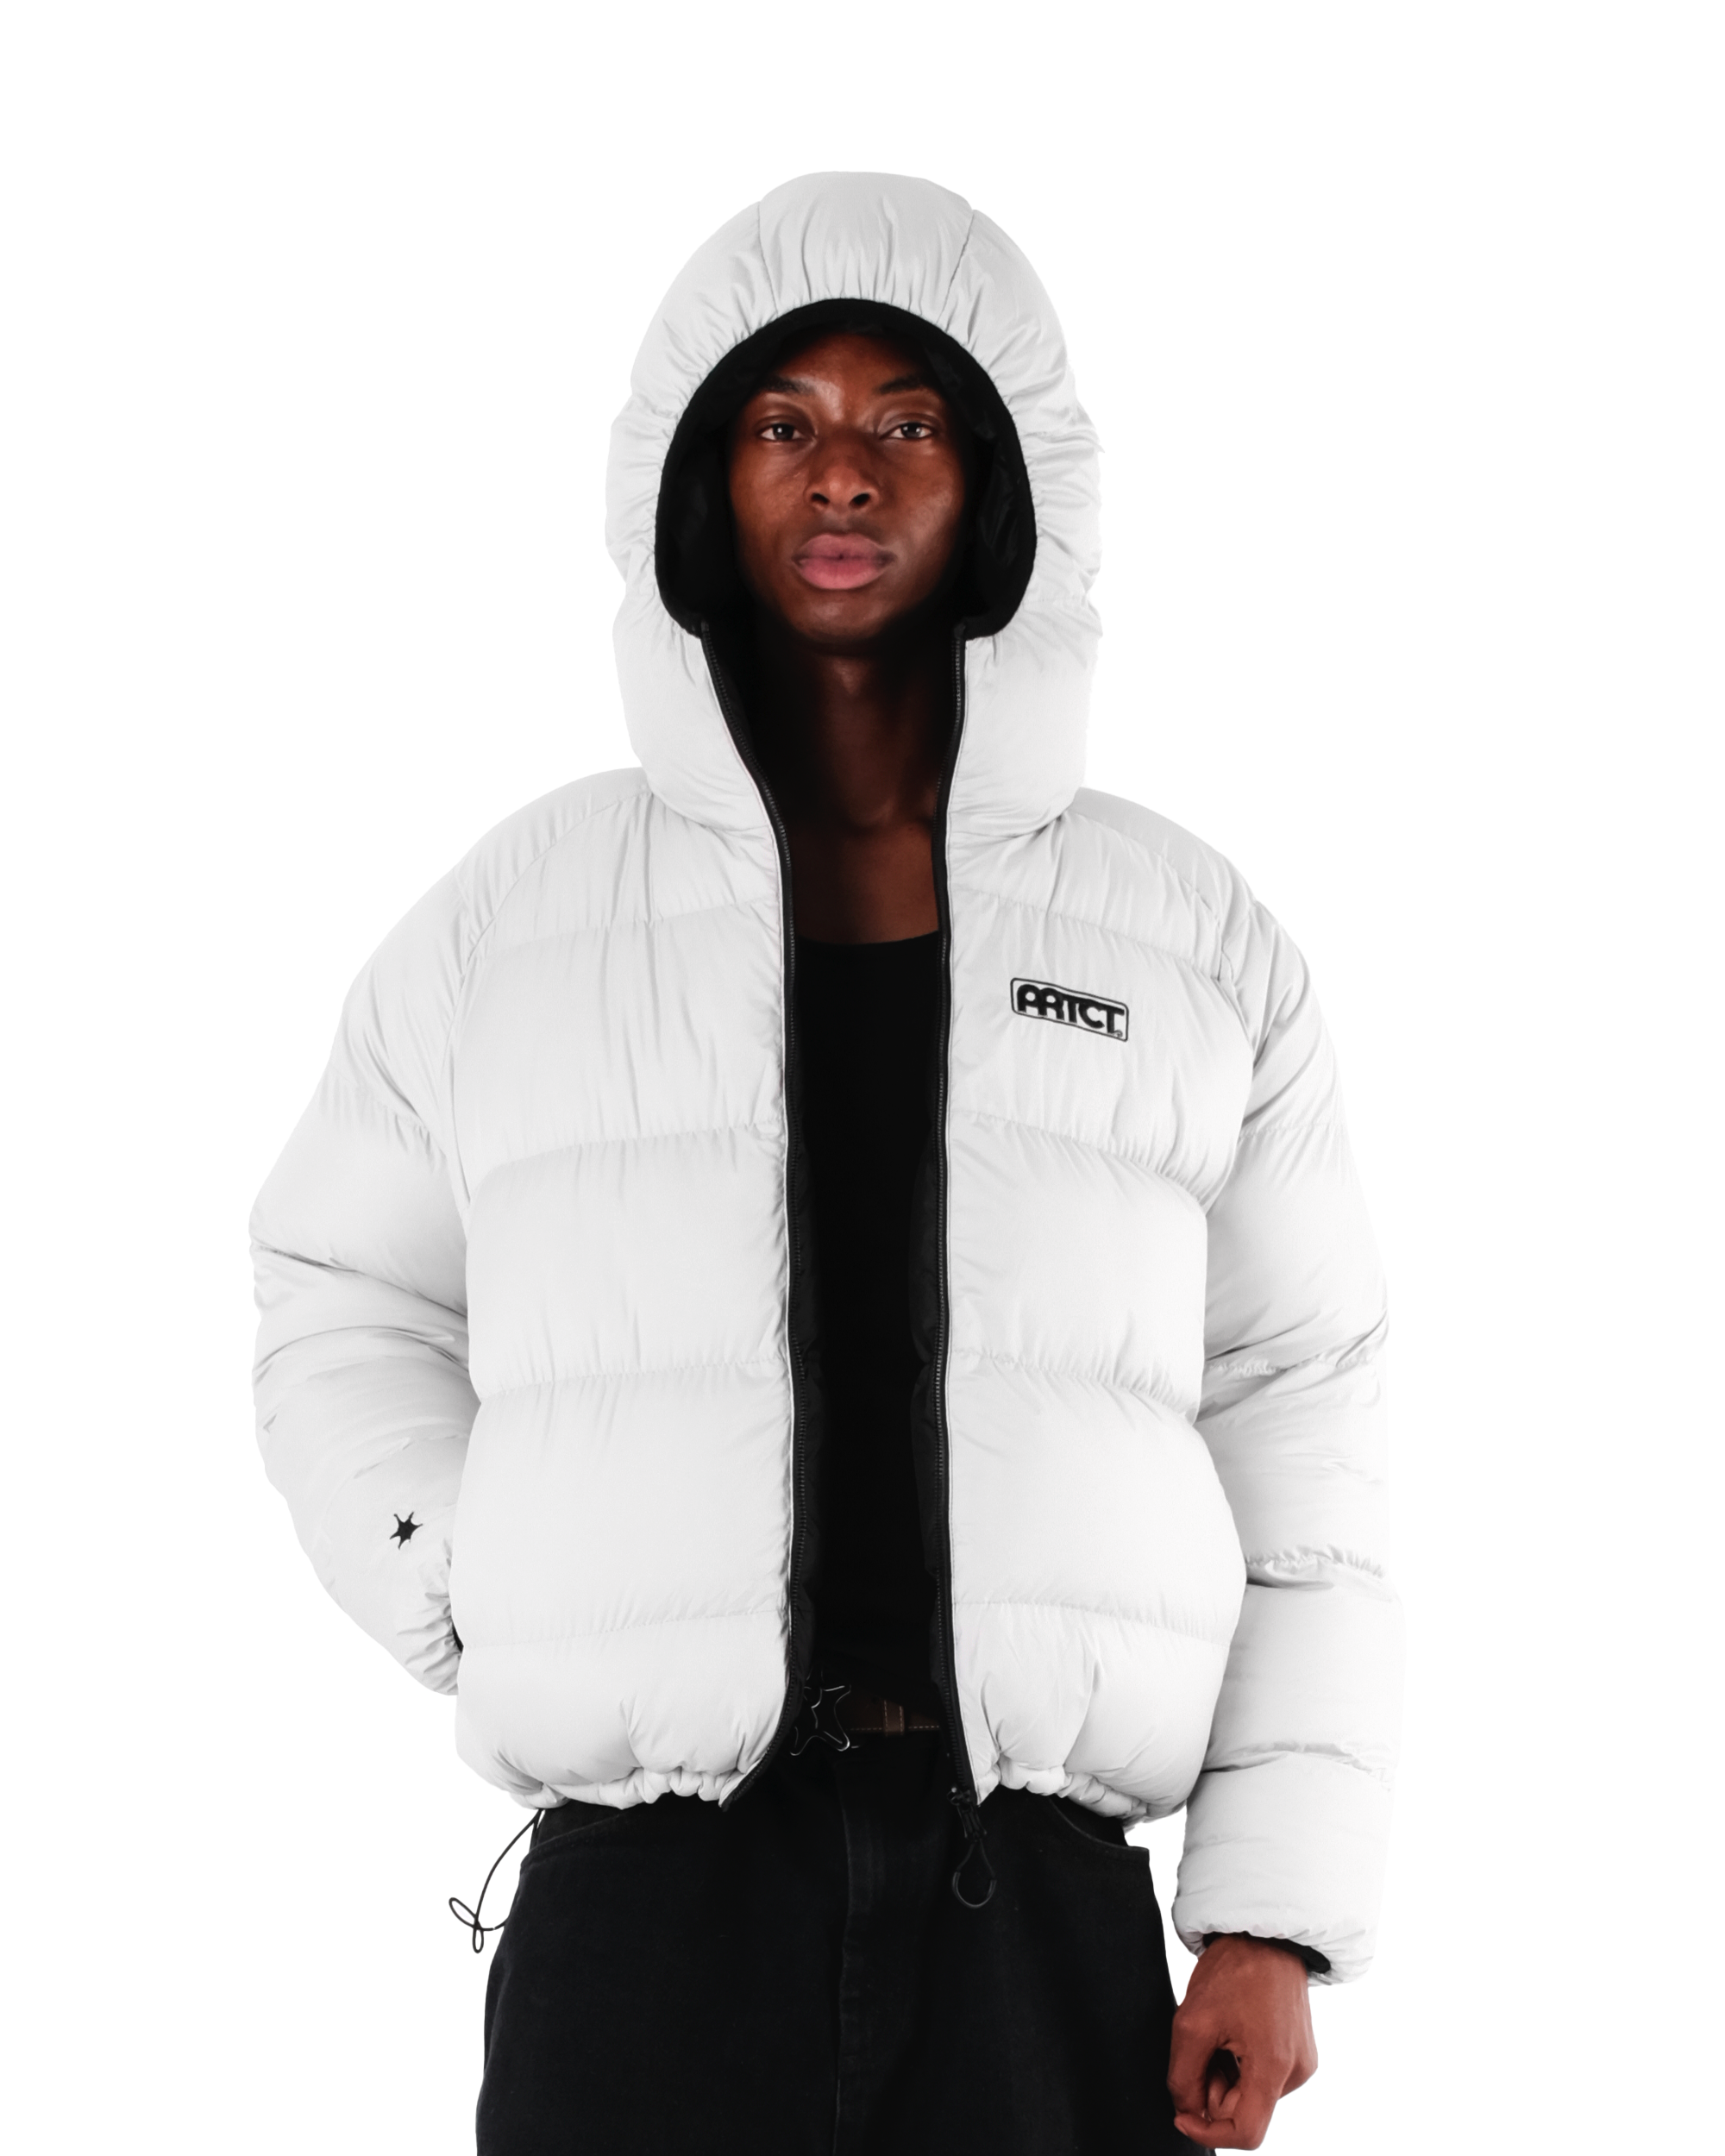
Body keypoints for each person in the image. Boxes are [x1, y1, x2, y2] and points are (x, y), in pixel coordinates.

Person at [251, 172, 1400, 2153]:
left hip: (1035, 1902)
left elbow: (1304, 1418)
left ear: (1003, 488)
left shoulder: (1190, 939)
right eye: (783, 420)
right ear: (699, 479)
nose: (844, 470)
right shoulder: (514, 918)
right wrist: (476, 1580)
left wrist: (1266, 1911)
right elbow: (338, 1292)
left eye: (907, 419)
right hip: (647, 1898)